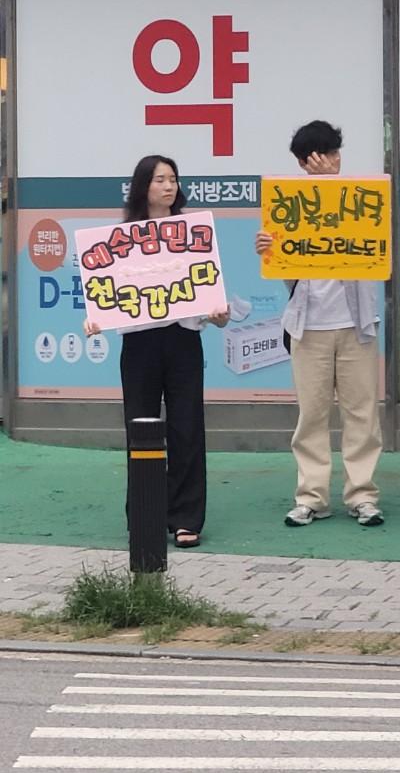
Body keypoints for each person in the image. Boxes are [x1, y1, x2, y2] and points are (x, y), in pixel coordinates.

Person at [83, 154, 229, 549]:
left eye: (173, 179)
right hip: (140, 344)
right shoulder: (120, 239)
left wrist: (219, 315)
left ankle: (186, 518)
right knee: (140, 428)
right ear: (143, 185)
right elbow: (104, 295)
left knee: (187, 428)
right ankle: (146, 514)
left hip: (183, 341)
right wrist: (95, 318)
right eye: (160, 179)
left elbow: (213, 304)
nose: (168, 186)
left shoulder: (193, 233)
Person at [256, 120, 384, 527]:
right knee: (311, 415)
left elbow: (377, 252)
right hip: (307, 325)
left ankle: (362, 495)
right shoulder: (286, 206)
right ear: (302, 162)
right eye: (320, 155)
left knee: (362, 413)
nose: (330, 161)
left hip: (356, 324)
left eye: (333, 153)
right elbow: (285, 271)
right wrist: (268, 249)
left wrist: (331, 184)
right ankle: (312, 497)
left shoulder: (362, 199)